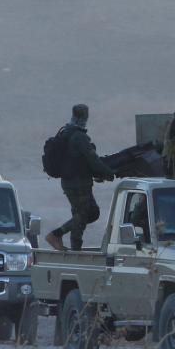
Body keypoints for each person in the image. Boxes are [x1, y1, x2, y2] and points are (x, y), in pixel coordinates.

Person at [45, 103, 115, 252]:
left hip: (71, 182)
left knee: (83, 213)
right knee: (86, 214)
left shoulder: (66, 132)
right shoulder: (79, 137)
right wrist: (108, 173)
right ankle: (56, 234)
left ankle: (76, 248)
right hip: (78, 184)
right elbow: (93, 160)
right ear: (85, 116)